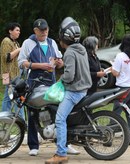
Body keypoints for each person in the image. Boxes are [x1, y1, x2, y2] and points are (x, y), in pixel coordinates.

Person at [18, 18, 79, 156]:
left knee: (58, 112)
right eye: (41, 30)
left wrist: (58, 63)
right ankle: (34, 146)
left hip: (51, 83)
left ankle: (65, 143)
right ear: (35, 31)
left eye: (46, 29)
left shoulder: (52, 42)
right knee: (33, 113)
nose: (44, 32)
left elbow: (61, 61)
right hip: (34, 83)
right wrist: (40, 65)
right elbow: (21, 62)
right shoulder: (28, 43)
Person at [45, 17, 92, 164]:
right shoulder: (81, 48)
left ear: (63, 37)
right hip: (84, 88)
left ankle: (61, 153)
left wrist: (60, 81)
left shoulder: (69, 52)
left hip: (74, 91)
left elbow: (70, 75)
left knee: (59, 119)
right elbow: (76, 66)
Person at [111, 34, 130, 146]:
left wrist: (112, 66)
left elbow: (116, 73)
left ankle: (109, 138)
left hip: (123, 89)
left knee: (116, 113)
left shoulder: (120, 56)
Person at [0, 22, 24, 119]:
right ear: (10, 31)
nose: (19, 32)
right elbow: (7, 57)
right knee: (9, 98)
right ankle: (5, 120)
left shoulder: (15, 42)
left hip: (15, 75)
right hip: (9, 75)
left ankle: (19, 120)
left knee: (14, 97)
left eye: (19, 30)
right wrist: (18, 50)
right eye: (17, 30)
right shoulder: (6, 41)